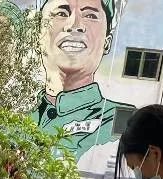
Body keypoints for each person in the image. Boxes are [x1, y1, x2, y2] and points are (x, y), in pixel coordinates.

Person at [33, 0, 134, 161]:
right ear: (37, 38)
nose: (75, 25)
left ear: (107, 43)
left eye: (90, 15)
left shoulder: (125, 121)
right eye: (61, 13)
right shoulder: (14, 119)